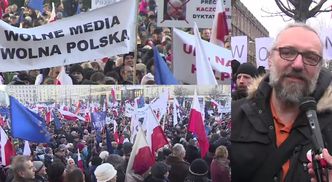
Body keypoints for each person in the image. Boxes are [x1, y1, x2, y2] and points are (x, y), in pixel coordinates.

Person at [231, 23, 332, 182]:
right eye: (287, 52)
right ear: (270, 58)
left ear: (320, 67)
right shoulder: (234, 114)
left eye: (311, 57)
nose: (298, 64)